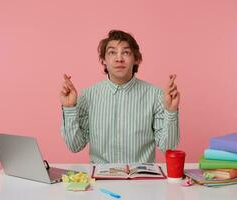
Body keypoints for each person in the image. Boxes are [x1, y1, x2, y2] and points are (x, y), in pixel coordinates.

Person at [60, 30, 180, 163]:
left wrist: (171, 111)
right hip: (100, 179)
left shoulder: (155, 95)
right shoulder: (88, 95)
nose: (119, 58)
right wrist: (69, 108)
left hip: (141, 179)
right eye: (112, 52)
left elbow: (168, 147)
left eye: (126, 52)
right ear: (103, 60)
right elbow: (75, 146)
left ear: (136, 59)